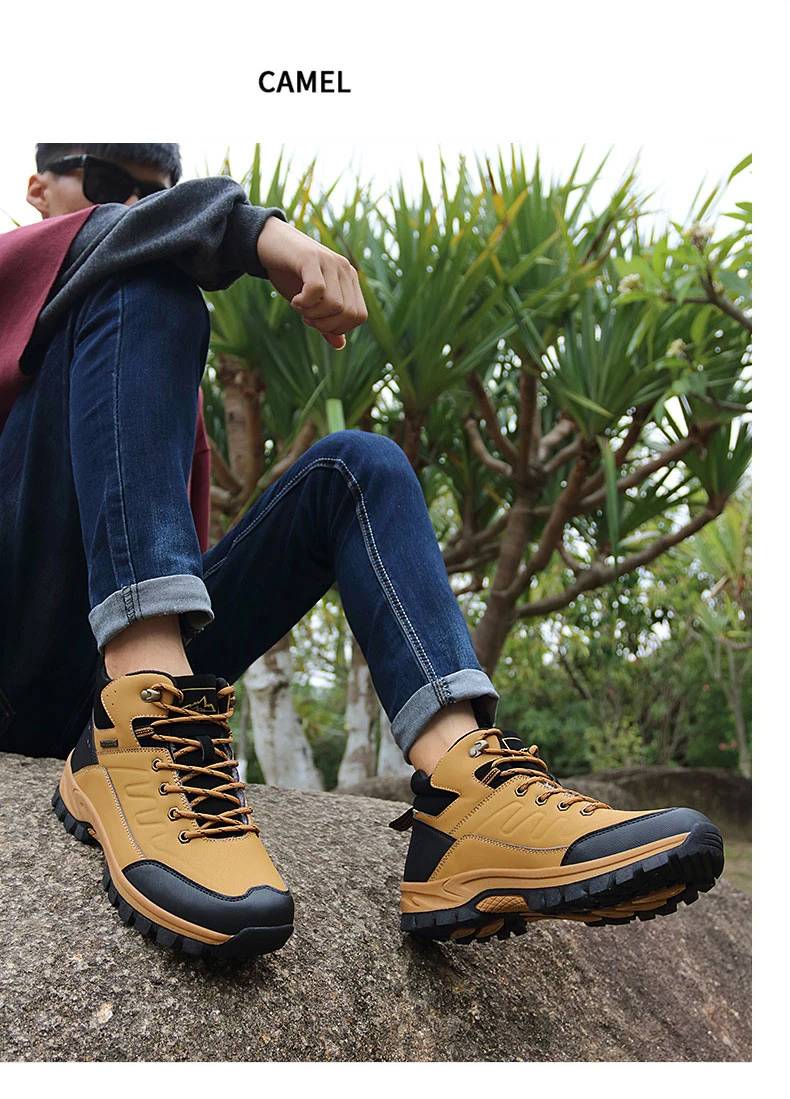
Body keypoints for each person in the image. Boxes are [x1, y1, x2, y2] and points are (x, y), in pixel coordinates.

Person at [0, 143, 724, 958]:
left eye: (159, 192)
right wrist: (257, 232)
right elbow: (121, 241)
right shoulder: (66, 280)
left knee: (358, 467)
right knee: (140, 276)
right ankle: (139, 720)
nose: (138, 208)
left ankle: (464, 794)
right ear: (38, 188)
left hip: (112, 657)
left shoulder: (132, 354)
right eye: (110, 185)